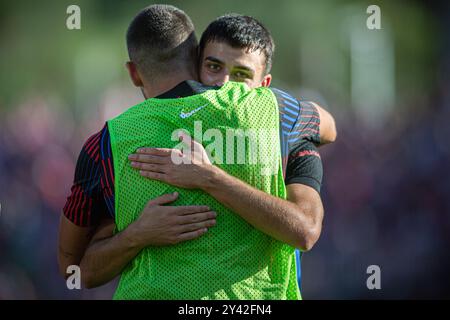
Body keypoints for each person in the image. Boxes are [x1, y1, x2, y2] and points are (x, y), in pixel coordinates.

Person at [58, 5, 335, 299]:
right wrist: (138, 234)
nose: (223, 84)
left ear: (133, 73)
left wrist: (135, 233)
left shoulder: (105, 143)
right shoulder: (277, 111)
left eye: (240, 74)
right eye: (215, 67)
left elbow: (72, 271)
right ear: (197, 59)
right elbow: (327, 126)